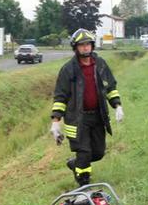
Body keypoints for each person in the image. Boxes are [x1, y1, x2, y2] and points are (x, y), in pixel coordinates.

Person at [50, 28, 124, 186]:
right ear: (75, 47)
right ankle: (84, 183)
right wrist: (56, 121)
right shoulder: (68, 69)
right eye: (81, 45)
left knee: (98, 152)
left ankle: (75, 164)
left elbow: (110, 87)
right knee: (84, 152)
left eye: (88, 44)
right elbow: (60, 96)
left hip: (98, 116)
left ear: (92, 46)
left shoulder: (101, 65)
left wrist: (117, 105)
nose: (85, 47)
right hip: (77, 119)